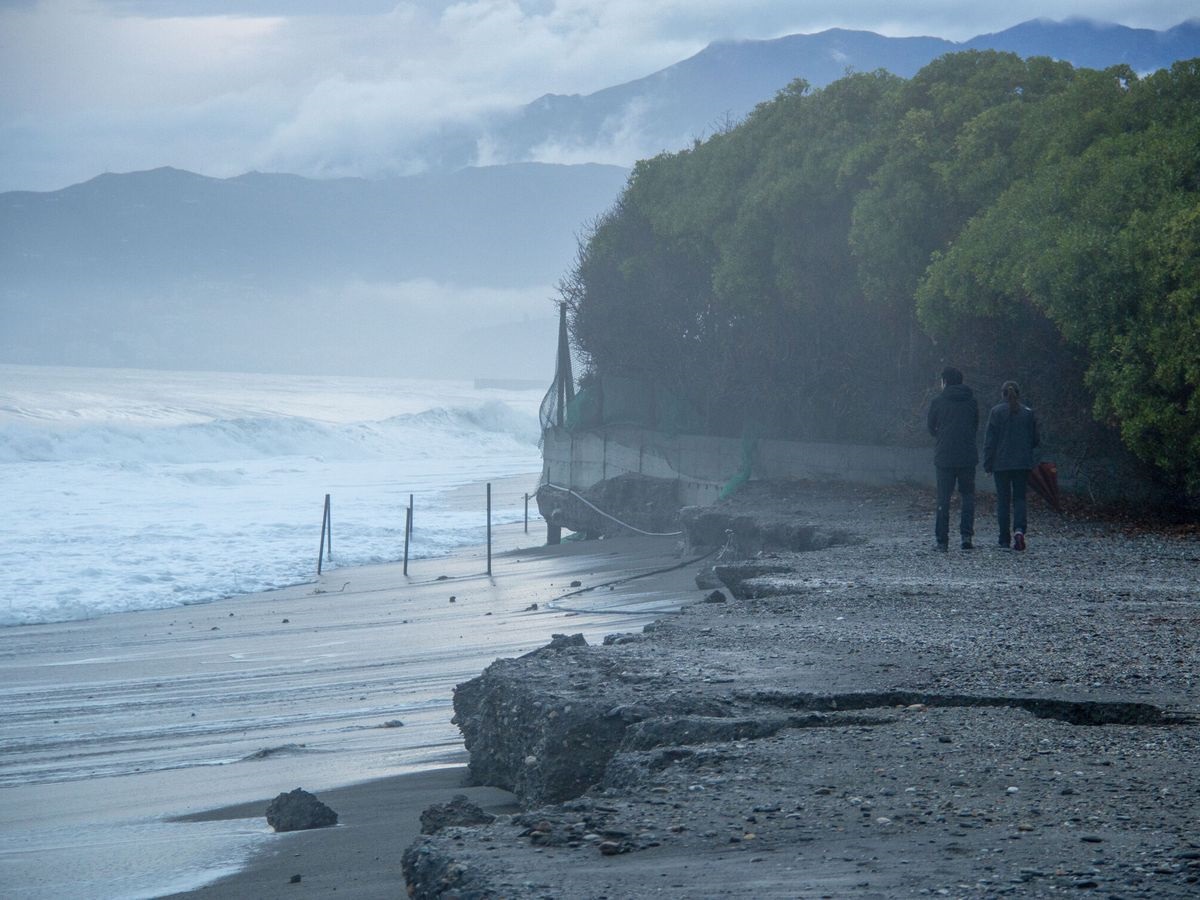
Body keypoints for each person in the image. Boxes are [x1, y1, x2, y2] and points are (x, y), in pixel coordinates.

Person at [926, 366, 979, 551]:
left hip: (944, 457)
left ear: (945, 381)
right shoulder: (971, 402)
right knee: (968, 496)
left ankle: (942, 540)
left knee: (943, 498)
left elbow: (931, 427)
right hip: (967, 455)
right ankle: (966, 537)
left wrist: (942, 436)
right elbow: (975, 425)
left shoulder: (938, 402)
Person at [983, 380, 1040, 551]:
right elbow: (1035, 439)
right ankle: (1019, 530)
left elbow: (990, 441)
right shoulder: (1028, 413)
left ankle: (1004, 538)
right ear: (1018, 394)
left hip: (1001, 463)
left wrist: (988, 464)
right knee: (1020, 498)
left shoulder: (996, 412)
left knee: (1003, 500)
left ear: (1002, 394)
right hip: (1022, 463)